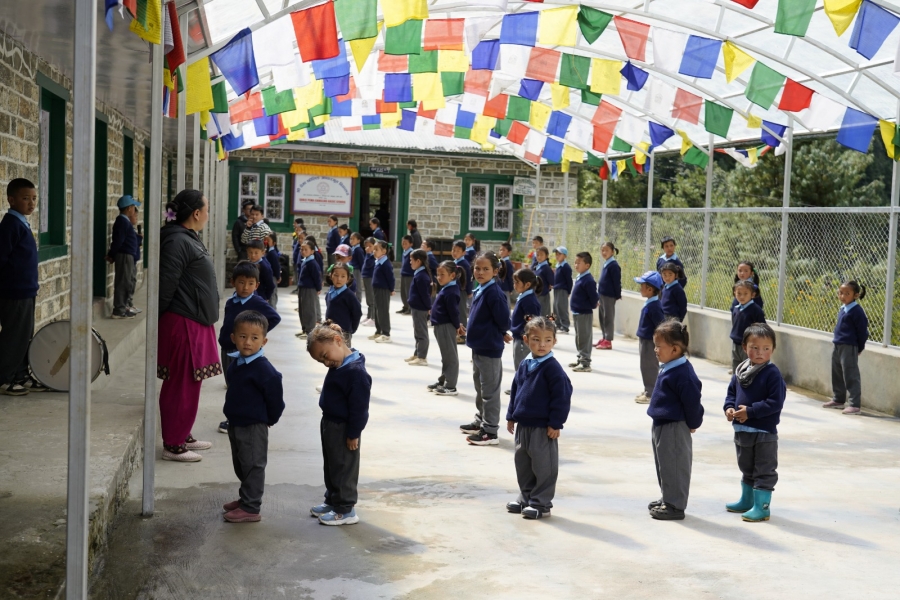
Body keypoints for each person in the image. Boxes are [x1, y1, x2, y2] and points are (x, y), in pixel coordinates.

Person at [157, 189, 219, 462]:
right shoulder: (177, 241)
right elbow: (166, 285)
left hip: (193, 319)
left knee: (190, 383)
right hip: (183, 321)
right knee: (180, 384)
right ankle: (173, 444)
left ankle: (182, 433)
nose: (208, 214)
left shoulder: (187, 238)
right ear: (196, 213)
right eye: (206, 209)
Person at [505, 316, 572, 520]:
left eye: (547, 340)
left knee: (544, 466)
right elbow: (516, 390)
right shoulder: (526, 363)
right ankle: (526, 497)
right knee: (523, 463)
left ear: (554, 341)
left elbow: (562, 397)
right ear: (526, 340)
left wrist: (555, 423)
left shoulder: (552, 368)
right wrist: (511, 416)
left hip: (543, 428)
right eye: (536, 339)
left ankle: (541, 503)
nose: (541, 345)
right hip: (523, 425)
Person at [221, 310, 284, 523]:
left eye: (254, 338)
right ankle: (245, 497)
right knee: (241, 463)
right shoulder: (236, 363)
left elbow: (276, 400)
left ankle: (251, 507)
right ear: (233, 338)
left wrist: (269, 419)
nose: (248, 342)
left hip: (254, 425)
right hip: (236, 423)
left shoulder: (265, 370)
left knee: (253, 465)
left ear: (263, 341)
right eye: (242, 336)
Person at [307, 322, 371, 526]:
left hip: (344, 428)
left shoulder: (356, 373)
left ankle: (345, 509)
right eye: (320, 361)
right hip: (330, 422)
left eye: (325, 356)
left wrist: (353, 434)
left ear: (337, 341)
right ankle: (333, 500)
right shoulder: (341, 361)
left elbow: (359, 409)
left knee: (344, 467)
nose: (326, 363)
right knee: (332, 464)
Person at [724, 322, 786, 522]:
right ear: (744, 347)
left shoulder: (772, 374)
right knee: (746, 467)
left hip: (763, 433)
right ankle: (747, 500)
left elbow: (775, 402)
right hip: (742, 430)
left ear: (773, 350)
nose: (760, 353)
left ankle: (762, 507)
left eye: (766, 349)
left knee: (764, 469)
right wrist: (729, 408)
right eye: (755, 348)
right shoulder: (740, 372)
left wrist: (750, 412)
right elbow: (731, 394)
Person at [647, 320, 704, 521]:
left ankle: (675, 505)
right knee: (665, 464)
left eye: (658, 346)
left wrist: (693, 422)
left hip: (674, 426)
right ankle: (667, 498)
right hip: (662, 423)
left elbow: (692, 401)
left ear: (675, 349)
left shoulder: (683, 374)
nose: (655, 350)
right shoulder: (669, 366)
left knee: (676, 465)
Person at [0, 178, 48, 396]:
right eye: (25, 198)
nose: (31, 203)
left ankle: (21, 375)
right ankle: (4, 378)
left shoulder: (22, 223)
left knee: (24, 335)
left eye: (34, 198)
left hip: (27, 290)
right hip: (14, 292)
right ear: (11, 200)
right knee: (14, 336)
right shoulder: (10, 226)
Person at [459, 251, 511, 446]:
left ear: (496, 271)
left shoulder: (494, 293)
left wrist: (501, 331)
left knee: (489, 391)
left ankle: (490, 431)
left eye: (486, 269)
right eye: (477, 268)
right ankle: (481, 420)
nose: (480, 272)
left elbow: (503, 319)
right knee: (480, 388)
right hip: (479, 347)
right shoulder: (481, 288)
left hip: (489, 349)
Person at [218, 261, 281, 387]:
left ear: (256, 285)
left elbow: (275, 318)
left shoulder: (257, 302)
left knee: (243, 382)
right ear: (233, 282)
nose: (246, 287)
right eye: (241, 282)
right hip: (227, 346)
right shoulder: (231, 302)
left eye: (250, 283)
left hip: (243, 348)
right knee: (230, 379)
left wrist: (256, 334)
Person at [822, 280, 869, 415]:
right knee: (836, 372)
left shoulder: (857, 311)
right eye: (840, 293)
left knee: (850, 374)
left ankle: (854, 404)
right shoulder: (843, 309)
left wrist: (859, 347)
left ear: (855, 295)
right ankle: (838, 399)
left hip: (849, 346)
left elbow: (863, 332)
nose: (842, 296)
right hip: (838, 344)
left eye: (847, 293)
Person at [428, 261, 463, 396]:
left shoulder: (452, 291)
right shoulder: (447, 288)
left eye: (442, 274)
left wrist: (457, 326)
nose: (439, 277)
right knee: (445, 356)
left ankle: (451, 386)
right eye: (438, 274)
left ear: (452, 275)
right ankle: (443, 380)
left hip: (446, 327)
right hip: (440, 326)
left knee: (450, 357)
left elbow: (454, 312)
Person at [107, 195, 143, 319]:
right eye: (133, 207)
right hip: (124, 255)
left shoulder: (125, 222)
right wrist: (112, 254)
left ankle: (124, 306)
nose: (134, 210)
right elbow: (118, 241)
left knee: (127, 281)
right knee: (123, 282)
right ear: (128, 209)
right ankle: (119, 309)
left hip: (129, 256)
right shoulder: (122, 222)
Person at [634, 271, 664, 405]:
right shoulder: (650, 303)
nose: (640, 288)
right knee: (644, 366)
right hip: (644, 340)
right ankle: (648, 389)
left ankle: (651, 393)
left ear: (650, 289)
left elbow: (660, 325)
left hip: (649, 342)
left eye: (642, 286)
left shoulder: (655, 306)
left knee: (649, 366)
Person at [570, 252, 599, 373]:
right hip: (577, 312)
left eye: (579, 263)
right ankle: (580, 358)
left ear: (587, 265)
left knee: (584, 337)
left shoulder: (588, 280)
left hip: (584, 313)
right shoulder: (580, 277)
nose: (576, 265)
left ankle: (585, 362)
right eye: (575, 262)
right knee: (579, 337)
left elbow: (593, 297)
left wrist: (592, 305)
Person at [510, 269, 542, 376]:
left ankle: (522, 389)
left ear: (527, 284)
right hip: (518, 337)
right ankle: (519, 387)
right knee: (519, 365)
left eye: (517, 282)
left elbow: (533, 323)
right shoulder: (524, 297)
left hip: (523, 340)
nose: (514, 285)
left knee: (522, 366)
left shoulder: (529, 301)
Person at [404, 249, 432, 366]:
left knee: (422, 333)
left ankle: (422, 357)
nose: (410, 262)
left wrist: (428, 307)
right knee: (417, 332)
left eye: (411, 260)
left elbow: (425, 295)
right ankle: (417, 353)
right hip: (416, 308)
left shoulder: (422, 276)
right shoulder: (419, 274)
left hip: (421, 308)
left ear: (418, 261)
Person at [324, 263, 362, 348]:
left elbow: (357, 312)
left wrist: (351, 329)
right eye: (336, 275)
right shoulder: (330, 292)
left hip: (343, 332)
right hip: (330, 330)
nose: (339, 279)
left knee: (343, 355)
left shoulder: (349, 295)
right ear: (331, 276)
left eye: (343, 276)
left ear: (348, 279)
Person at [731, 281, 766, 371]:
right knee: (736, 366)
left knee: (747, 367)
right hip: (736, 342)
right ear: (734, 293)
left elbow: (762, 327)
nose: (742, 296)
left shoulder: (756, 310)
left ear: (752, 295)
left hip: (748, 345)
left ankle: (746, 384)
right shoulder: (736, 308)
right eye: (739, 293)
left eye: (745, 294)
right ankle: (736, 383)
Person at [596, 242, 621, 350]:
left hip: (609, 296)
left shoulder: (614, 265)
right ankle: (604, 337)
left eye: (606, 250)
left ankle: (608, 340)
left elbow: (616, 282)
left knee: (608, 317)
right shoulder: (606, 263)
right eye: (602, 250)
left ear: (612, 251)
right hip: (602, 295)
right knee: (602, 317)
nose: (604, 252)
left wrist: (617, 295)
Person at [296, 240, 322, 340]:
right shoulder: (306, 260)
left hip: (310, 289)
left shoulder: (312, 263)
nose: (303, 251)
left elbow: (317, 277)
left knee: (309, 310)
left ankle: (310, 331)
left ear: (312, 251)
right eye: (301, 249)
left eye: (306, 249)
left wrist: (318, 288)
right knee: (302, 310)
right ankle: (304, 329)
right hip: (303, 288)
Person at [370, 239, 395, 343]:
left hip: (383, 290)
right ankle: (378, 331)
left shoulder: (386, 264)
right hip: (376, 289)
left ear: (384, 251)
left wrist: (391, 289)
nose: (374, 251)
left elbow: (391, 278)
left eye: (376, 249)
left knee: (383, 311)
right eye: (374, 249)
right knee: (377, 310)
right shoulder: (378, 262)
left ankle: (386, 333)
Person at [451, 240, 473, 341]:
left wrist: (469, 291)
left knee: (461, 312)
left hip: (461, 291)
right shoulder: (454, 263)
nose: (455, 252)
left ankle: (463, 335)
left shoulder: (464, 264)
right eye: (453, 250)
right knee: (455, 311)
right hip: (454, 291)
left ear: (464, 252)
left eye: (458, 251)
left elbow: (468, 279)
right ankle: (456, 333)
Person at [246, 240, 275, 304]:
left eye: (256, 253)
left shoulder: (264, 267)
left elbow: (270, 285)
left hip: (260, 296)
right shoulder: (249, 263)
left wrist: (266, 297)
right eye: (250, 252)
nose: (253, 255)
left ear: (263, 252)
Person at [552, 247, 572, 333]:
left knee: (562, 307)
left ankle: (565, 325)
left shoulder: (566, 267)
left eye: (559, 254)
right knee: (555, 307)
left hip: (562, 290)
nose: (557, 256)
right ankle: (558, 324)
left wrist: (568, 291)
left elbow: (569, 280)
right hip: (556, 289)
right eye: (556, 254)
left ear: (565, 256)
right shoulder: (558, 266)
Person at [533, 246, 554, 317]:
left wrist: (549, 286)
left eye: (541, 255)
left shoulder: (546, 268)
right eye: (537, 255)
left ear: (546, 256)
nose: (539, 257)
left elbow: (552, 281)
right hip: (536, 294)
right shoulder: (537, 266)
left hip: (543, 295)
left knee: (544, 314)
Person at [360, 238, 376, 326]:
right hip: (366, 277)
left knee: (371, 298)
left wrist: (369, 254)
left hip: (370, 277)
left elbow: (370, 265)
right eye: (366, 246)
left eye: (370, 246)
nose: (368, 248)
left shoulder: (373, 255)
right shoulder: (367, 255)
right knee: (368, 298)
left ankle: (373, 318)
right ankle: (369, 316)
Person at [397, 235, 414, 315]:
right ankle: (405, 306)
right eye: (402, 243)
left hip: (409, 275)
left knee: (408, 292)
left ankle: (410, 308)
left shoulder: (412, 253)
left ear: (411, 244)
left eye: (406, 243)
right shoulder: (404, 252)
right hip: (403, 274)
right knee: (403, 292)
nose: (403, 245)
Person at [264, 232, 281, 308]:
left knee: (272, 294)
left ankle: (272, 308)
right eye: (266, 240)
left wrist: (278, 276)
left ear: (274, 243)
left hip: (272, 276)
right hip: (269, 276)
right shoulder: (268, 252)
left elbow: (276, 266)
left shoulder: (272, 253)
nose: (266, 242)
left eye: (268, 240)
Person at [349, 232, 366, 305]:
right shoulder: (352, 248)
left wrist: (362, 272)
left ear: (359, 240)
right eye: (351, 239)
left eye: (353, 239)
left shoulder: (359, 250)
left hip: (357, 270)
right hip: (352, 269)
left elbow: (362, 262)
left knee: (358, 287)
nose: (351, 240)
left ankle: (358, 301)